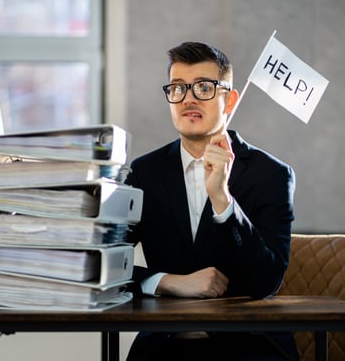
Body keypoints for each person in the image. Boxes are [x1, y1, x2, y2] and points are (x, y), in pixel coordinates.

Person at [125, 41, 298, 361]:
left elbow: (267, 281)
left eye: (203, 87)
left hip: (249, 346)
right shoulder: (144, 172)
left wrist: (222, 199)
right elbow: (103, 262)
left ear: (229, 99)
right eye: (178, 88)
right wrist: (166, 282)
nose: (188, 98)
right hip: (164, 346)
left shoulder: (271, 174)